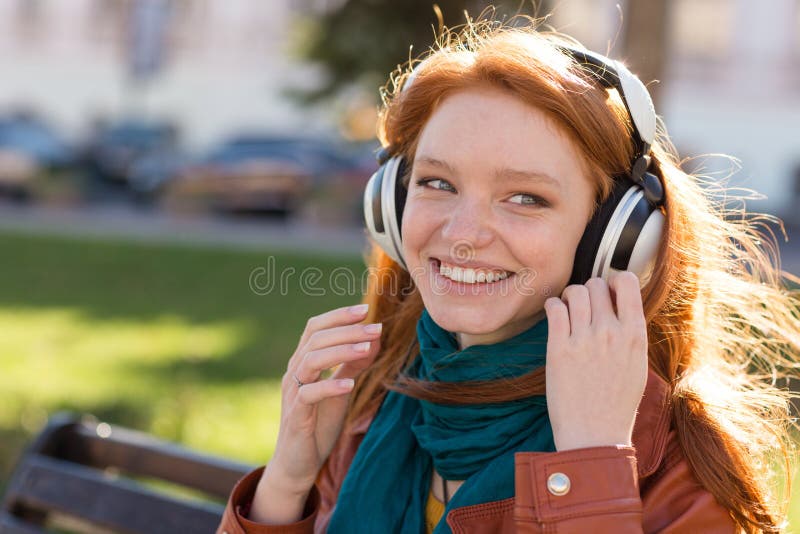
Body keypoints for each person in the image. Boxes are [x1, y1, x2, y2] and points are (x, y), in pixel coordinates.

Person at [217, 16, 800, 534]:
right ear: (390, 208)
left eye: (525, 197)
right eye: (437, 183)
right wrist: (287, 487)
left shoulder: (675, 469)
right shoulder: (374, 405)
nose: (464, 233)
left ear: (614, 240)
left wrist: (594, 463)